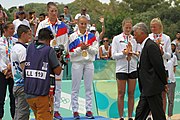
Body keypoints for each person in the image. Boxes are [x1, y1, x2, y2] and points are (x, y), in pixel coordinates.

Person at [35, 2, 68, 120]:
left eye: (56, 11)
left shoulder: (63, 26)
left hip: (58, 59)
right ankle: (46, 109)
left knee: (58, 85)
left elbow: (65, 42)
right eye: (52, 11)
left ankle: (57, 110)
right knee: (46, 85)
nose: (54, 13)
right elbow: (38, 40)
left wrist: (61, 52)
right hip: (45, 58)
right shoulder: (42, 25)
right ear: (47, 12)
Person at [24, 28, 62, 120]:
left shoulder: (29, 47)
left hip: (29, 93)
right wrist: (59, 60)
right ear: (49, 39)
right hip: (42, 93)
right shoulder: (49, 50)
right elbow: (58, 71)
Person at [133, 22, 167, 120]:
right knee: (140, 113)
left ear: (142, 33)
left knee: (158, 114)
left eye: (135, 34)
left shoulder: (151, 46)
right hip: (147, 88)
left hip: (153, 87)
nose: (134, 37)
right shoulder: (145, 46)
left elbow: (159, 66)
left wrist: (164, 82)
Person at [69, 15, 98, 119]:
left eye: (85, 24)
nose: (83, 25)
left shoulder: (91, 36)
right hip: (77, 63)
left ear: (87, 24)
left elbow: (95, 51)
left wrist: (88, 47)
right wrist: (80, 49)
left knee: (88, 87)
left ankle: (89, 110)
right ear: (77, 23)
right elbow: (70, 53)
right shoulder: (73, 36)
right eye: (81, 23)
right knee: (75, 88)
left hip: (89, 62)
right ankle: (75, 111)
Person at [111, 18, 140, 120]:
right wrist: (123, 53)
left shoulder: (135, 39)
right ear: (122, 27)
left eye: (129, 27)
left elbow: (139, 55)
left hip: (132, 68)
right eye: (126, 27)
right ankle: (121, 116)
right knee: (121, 93)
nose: (128, 29)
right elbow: (113, 55)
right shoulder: (117, 39)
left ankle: (130, 116)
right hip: (121, 69)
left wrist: (132, 53)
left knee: (131, 93)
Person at [148, 18, 172, 119]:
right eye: (151, 27)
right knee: (150, 93)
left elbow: (169, 55)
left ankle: (162, 115)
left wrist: (162, 53)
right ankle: (149, 115)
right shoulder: (148, 37)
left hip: (163, 68)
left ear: (160, 27)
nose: (153, 29)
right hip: (151, 69)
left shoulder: (166, 38)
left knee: (163, 93)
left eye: (155, 27)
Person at [11, 25, 31, 120]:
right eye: (28, 34)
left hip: (17, 84)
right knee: (23, 113)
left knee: (19, 111)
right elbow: (24, 68)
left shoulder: (15, 47)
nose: (29, 37)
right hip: (22, 85)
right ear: (23, 34)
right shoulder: (21, 49)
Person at [0, 22, 16, 120]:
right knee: (0, 97)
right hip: (2, 73)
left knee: (14, 97)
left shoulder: (15, 41)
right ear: (5, 30)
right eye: (11, 29)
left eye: (13, 29)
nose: (13, 31)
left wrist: (11, 69)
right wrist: (4, 69)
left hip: (13, 73)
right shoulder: (0, 41)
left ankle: (15, 117)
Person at [167, 43, 178, 120]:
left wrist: (172, 76)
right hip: (162, 81)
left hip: (171, 81)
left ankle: (169, 116)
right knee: (160, 99)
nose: (171, 48)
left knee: (171, 100)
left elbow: (174, 68)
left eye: (173, 47)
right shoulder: (161, 56)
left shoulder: (174, 57)